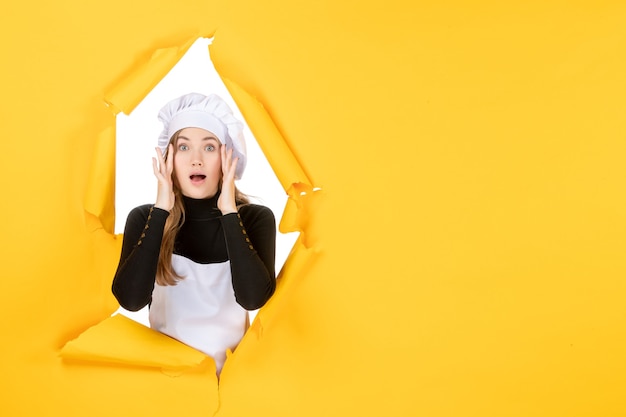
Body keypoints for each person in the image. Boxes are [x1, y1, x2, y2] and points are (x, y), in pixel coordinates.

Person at [112, 92, 277, 374]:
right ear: (169, 158)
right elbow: (130, 300)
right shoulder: (145, 218)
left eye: (210, 148)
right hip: (167, 384)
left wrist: (228, 211)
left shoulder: (253, 219)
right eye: (184, 148)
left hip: (232, 387)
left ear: (229, 159)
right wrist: (161, 209)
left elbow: (252, 299)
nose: (196, 160)